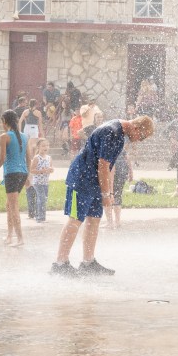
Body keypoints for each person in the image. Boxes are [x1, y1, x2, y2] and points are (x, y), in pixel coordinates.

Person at [50, 116, 154, 276]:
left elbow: (110, 166)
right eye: (142, 136)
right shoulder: (112, 132)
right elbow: (103, 166)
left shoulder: (120, 135)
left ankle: (88, 262)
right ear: (135, 127)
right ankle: (60, 263)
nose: (139, 140)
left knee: (94, 219)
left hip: (94, 182)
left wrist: (109, 191)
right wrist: (105, 194)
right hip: (81, 179)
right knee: (75, 218)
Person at [0, 110, 34, 247]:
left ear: (4, 122)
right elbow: (28, 158)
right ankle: (9, 236)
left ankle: (20, 239)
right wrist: (28, 175)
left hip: (12, 174)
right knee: (9, 205)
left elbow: (2, 159)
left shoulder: (4, 136)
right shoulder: (25, 136)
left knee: (13, 207)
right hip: (22, 173)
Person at [28, 138, 53, 223]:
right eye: (43, 146)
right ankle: (40, 217)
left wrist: (51, 170)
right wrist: (41, 171)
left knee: (44, 199)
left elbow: (51, 168)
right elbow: (32, 170)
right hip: (37, 182)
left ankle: (40, 215)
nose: (45, 147)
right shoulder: (36, 158)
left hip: (45, 182)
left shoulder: (49, 158)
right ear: (38, 147)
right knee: (41, 198)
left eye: (47, 145)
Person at [106, 146, 132, 230]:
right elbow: (127, 157)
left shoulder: (106, 145)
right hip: (122, 170)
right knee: (118, 195)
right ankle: (117, 222)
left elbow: (111, 167)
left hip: (113, 168)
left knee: (107, 195)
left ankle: (110, 223)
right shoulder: (118, 143)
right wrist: (130, 172)